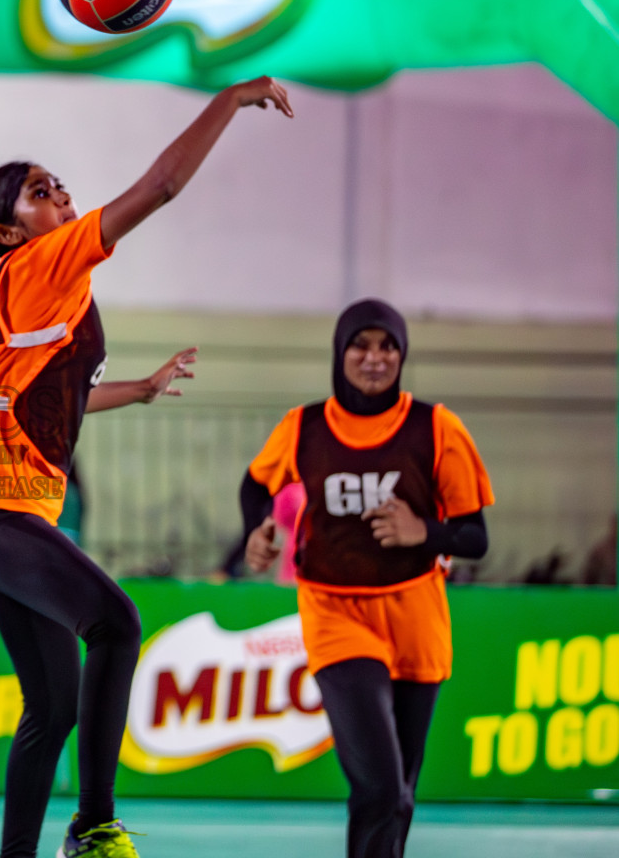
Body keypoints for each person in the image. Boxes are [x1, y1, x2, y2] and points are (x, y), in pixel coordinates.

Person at [0, 76, 292, 858]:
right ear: (12, 234)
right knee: (116, 623)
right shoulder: (45, 264)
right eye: (40, 192)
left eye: (56, 185)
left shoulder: (38, 295)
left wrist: (141, 390)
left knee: (52, 709)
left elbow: (68, 394)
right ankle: (93, 826)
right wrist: (232, 98)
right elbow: (163, 184)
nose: (61, 196)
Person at [241, 298, 493, 858]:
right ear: (339, 351)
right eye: (361, 344)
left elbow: (475, 536)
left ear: (403, 356)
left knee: (399, 793)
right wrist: (255, 529)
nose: (374, 358)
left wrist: (422, 532)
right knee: (379, 784)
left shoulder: (436, 427)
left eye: (388, 347)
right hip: (334, 612)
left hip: (415, 615)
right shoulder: (304, 426)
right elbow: (256, 484)